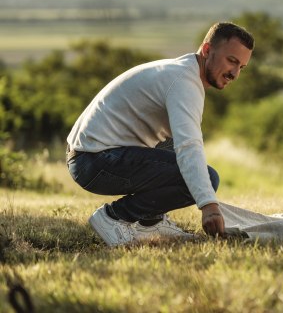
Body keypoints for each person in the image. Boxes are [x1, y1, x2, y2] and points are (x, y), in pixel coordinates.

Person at [66, 22, 254, 246]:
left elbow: (176, 142)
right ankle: (114, 217)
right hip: (94, 160)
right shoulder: (184, 82)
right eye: (231, 61)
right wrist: (209, 206)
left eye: (241, 66)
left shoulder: (183, 72)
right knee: (208, 178)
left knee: (172, 144)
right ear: (206, 50)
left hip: (92, 155)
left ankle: (150, 222)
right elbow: (189, 146)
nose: (235, 73)